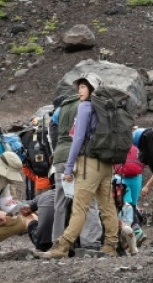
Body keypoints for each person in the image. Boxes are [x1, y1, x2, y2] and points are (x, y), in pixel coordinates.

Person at [37, 74, 120, 258]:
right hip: (107, 164)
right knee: (107, 206)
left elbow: (78, 138)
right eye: (80, 86)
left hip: (89, 163)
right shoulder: (107, 107)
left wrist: (68, 168)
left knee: (80, 207)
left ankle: (62, 246)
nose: (79, 90)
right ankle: (111, 246)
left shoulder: (85, 107)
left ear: (92, 89)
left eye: (83, 86)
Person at [48, 92, 102, 252]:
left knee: (60, 202)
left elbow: (53, 136)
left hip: (60, 156)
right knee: (88, 200)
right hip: (80, 156)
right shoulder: (86, 106)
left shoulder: (60, 109)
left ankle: (58, 241)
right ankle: (90, 242)